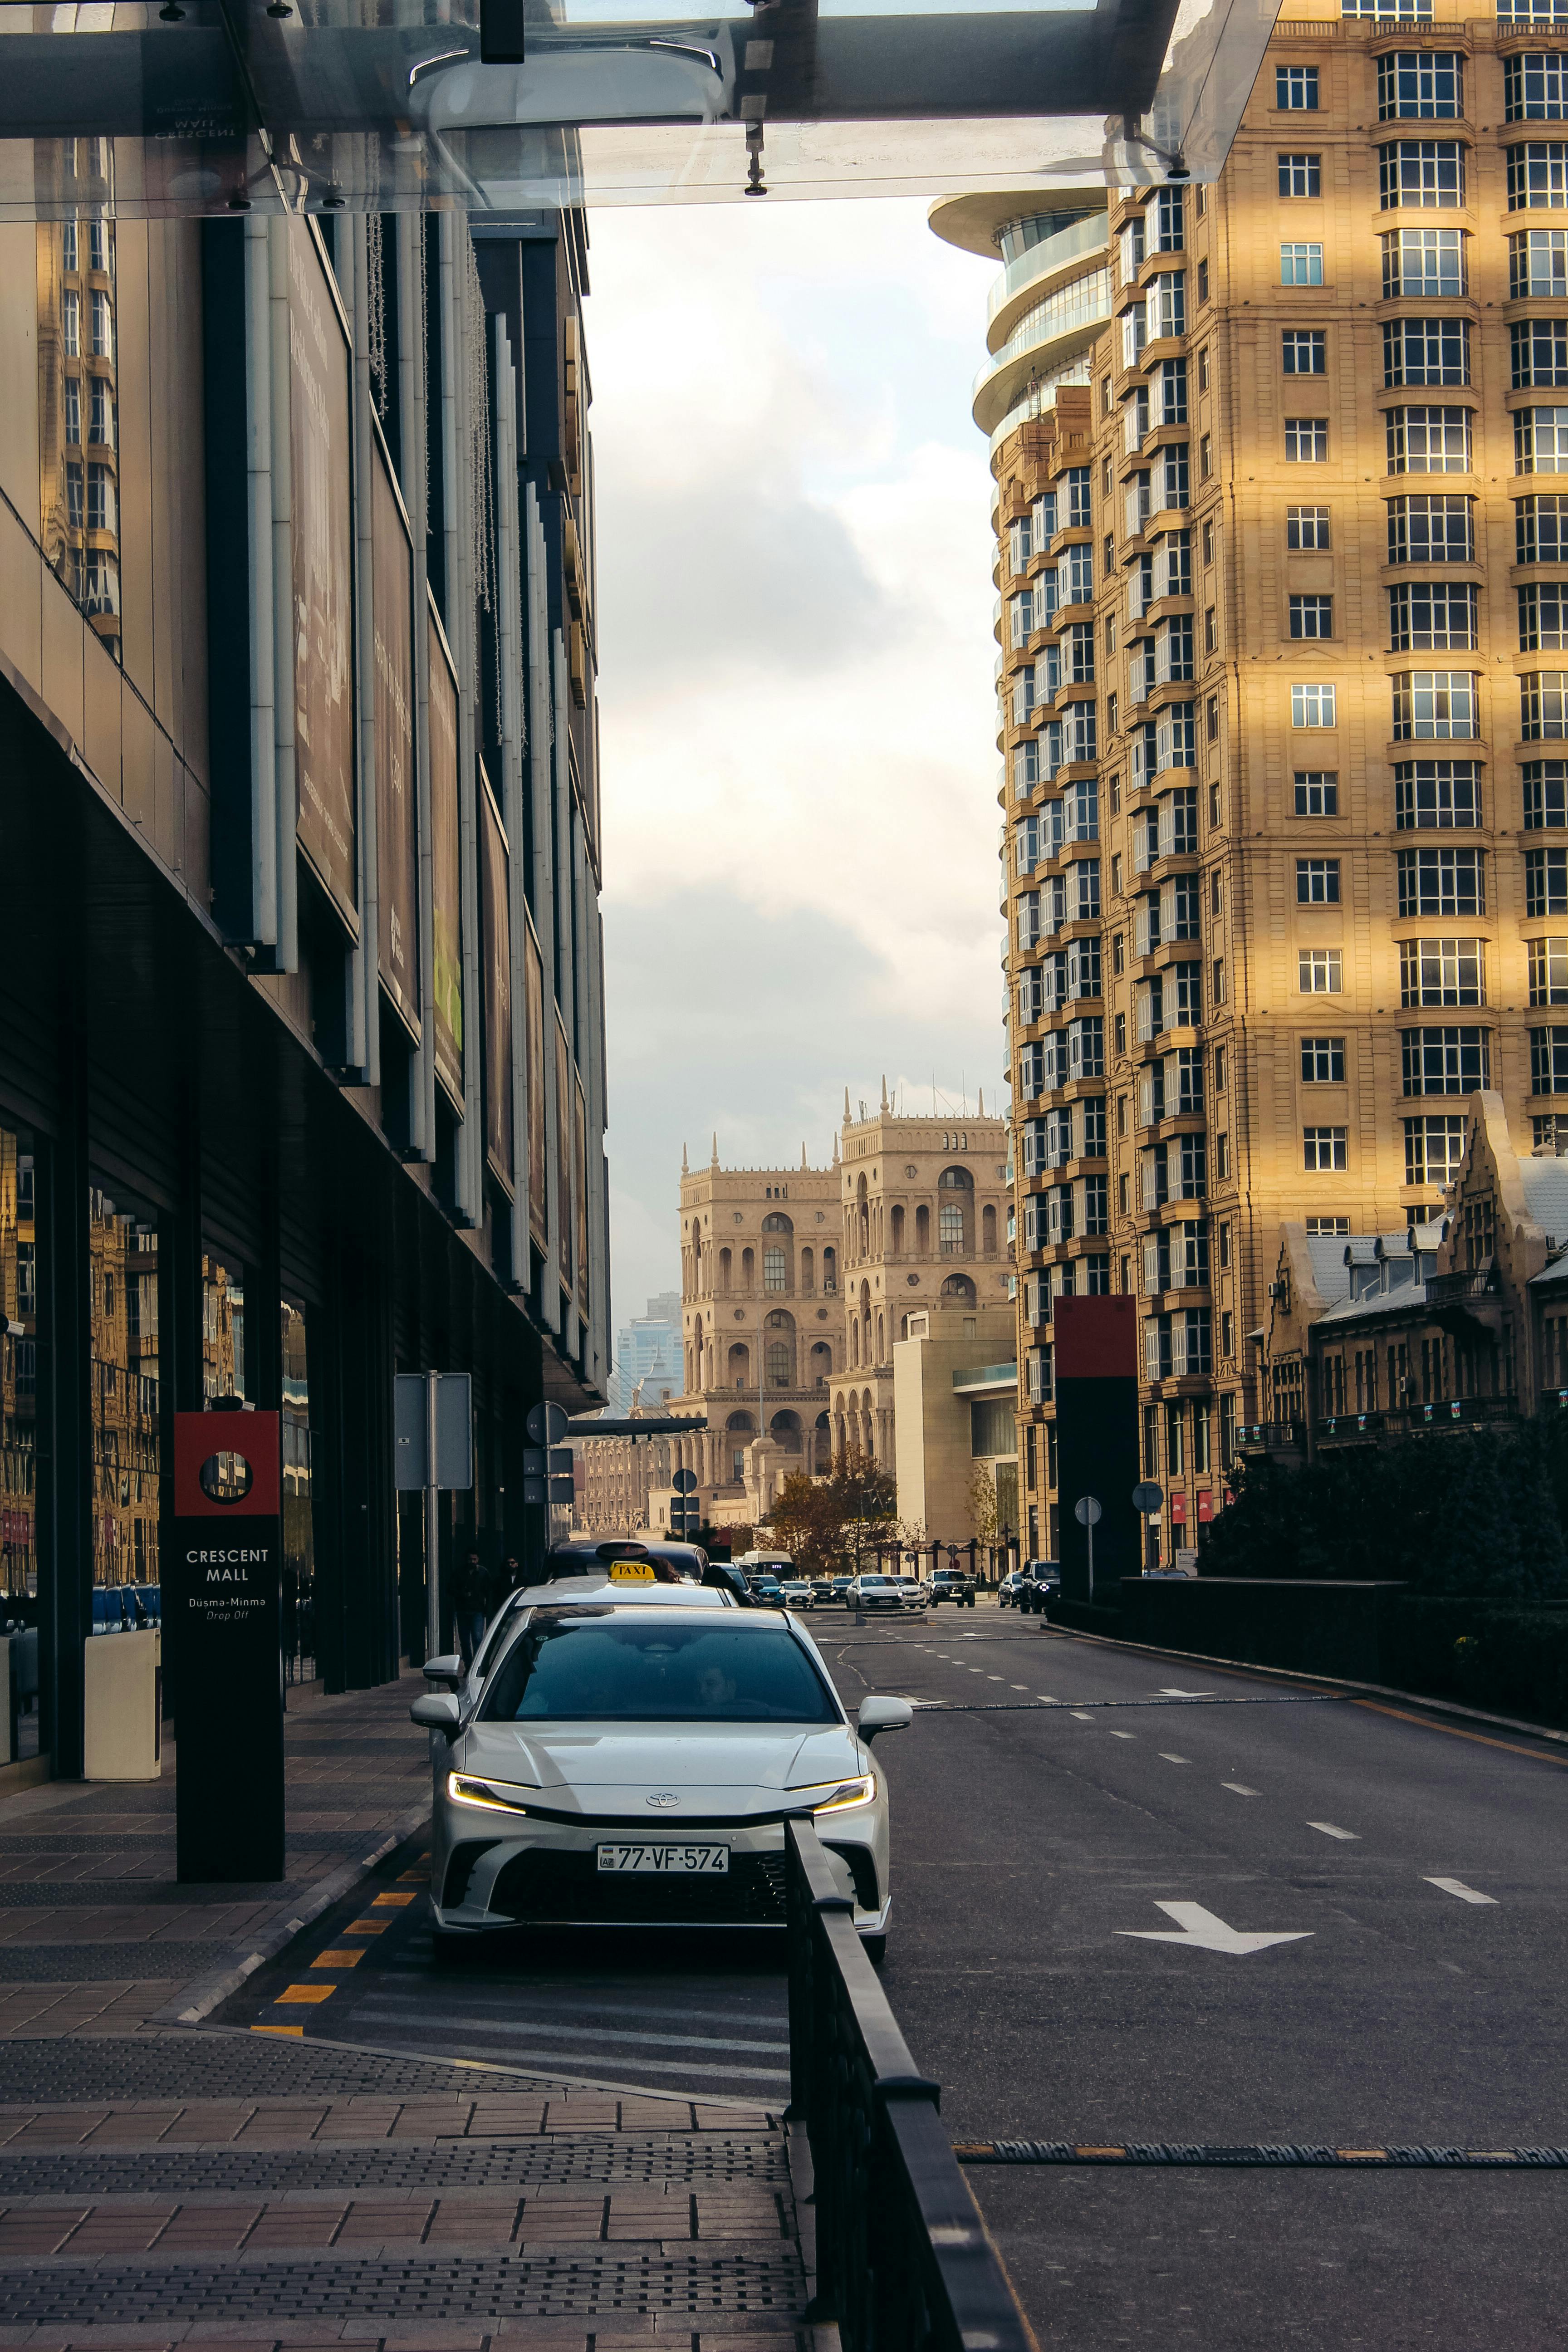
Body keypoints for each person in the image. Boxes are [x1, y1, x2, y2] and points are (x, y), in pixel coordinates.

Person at [452, 1548, 488, 1668]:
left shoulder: (483, 1573)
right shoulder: (459, 1573)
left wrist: (487, 1608)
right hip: (463, 1610)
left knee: (478, 1638)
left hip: (478, 1610)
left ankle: (477, 1665)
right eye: (470, 1559)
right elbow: (451, 1589)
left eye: (474, 1559)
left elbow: (489, 1591)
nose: (472, 1562)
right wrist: (462, 1594)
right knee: (465, 1641)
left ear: (478, 1560)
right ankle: (469, 1665)